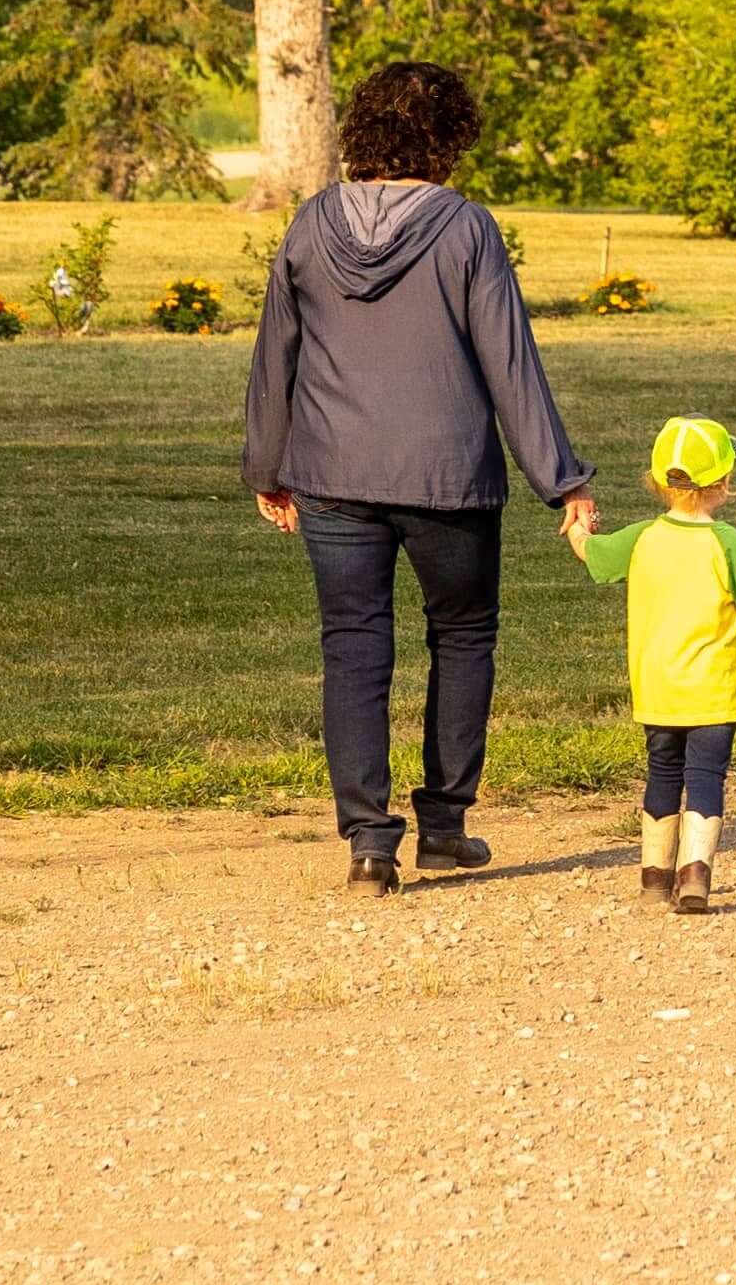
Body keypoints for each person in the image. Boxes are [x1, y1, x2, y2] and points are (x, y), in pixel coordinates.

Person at [242, 61, 595, 895]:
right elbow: (511, 364)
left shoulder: (309, 223)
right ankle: (443, 827)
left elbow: (274, 357)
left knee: (354, 648)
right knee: (463, 636)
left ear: (362, 132)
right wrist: (562, 479)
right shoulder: (466, 228)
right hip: (448, 480)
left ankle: (368, 845)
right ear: (449, 139)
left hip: (332, 475)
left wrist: (267, 465)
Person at [572, 413, 736, 916]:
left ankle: (653, 880)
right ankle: (696, 877)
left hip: (656, 691)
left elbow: (592, 554)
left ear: (660, 482)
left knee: (661, 773)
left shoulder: (640, 539)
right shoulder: (729, 544)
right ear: (723, 483)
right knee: (705, 777)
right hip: (712, 694)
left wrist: (578, 527)